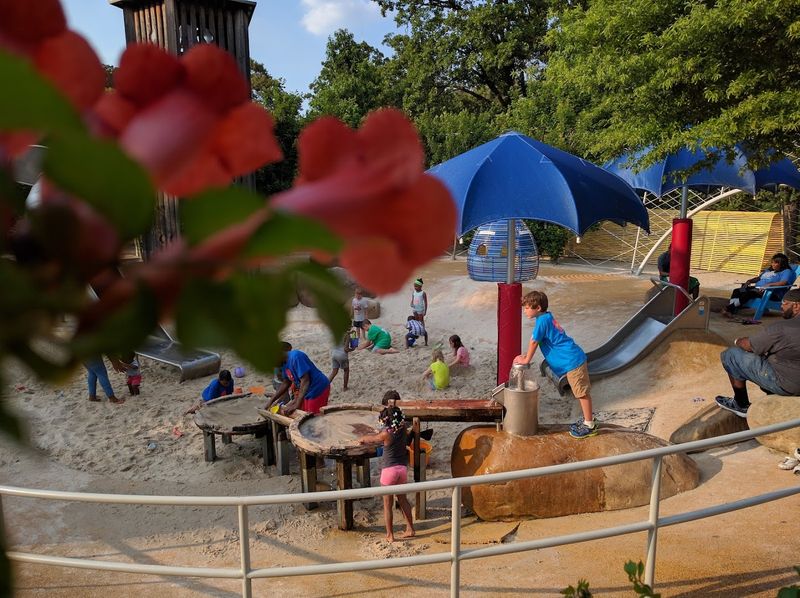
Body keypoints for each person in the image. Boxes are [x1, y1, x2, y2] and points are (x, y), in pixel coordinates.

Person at [513, 290, 597, 439]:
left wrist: (526, 360)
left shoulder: (542, 321)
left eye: (526, 307)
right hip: (572, 359)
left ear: (538, 308)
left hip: (572, 361)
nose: (524, 310)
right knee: (581, 393)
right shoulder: (546, 317)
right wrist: (527, 355)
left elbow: (534, 341)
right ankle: (587, 419)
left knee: (581, 393)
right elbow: (542, 341)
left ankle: (589, 424)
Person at [715, 288, 800, 417]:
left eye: (785, 302)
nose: (781, 305)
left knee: (732, 355)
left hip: (789, 385)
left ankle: (740, 404)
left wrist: (738, 340)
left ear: (796, 306)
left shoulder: (782, 328)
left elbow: (749, 346)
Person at [358, 406, 415, 543]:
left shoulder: (386, 435)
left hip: (389, 471)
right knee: (403, 500)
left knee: (387, 505)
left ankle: (390, 534)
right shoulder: (403, 430)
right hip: (402, 470)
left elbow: (371, 439)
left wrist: (361, 438)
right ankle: (410, 529)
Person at [721, 253, 796, 317]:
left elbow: (784, 282)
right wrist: (750, 281)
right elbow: (759, 278)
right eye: (772, 262)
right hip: (757, 289)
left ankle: (729, 308)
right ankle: (732, 309)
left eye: (775, 263)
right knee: (738, 290)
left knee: (750, 293)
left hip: (771, 293)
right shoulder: (769, 270)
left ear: (782, 264)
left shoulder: (786, 271)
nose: (773, 264)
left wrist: (769, 285)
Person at [266, 342, 330, 415]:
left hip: (318, 388)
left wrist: (297, 403)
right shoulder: (283, 364)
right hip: (306, 390)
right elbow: (286, 383)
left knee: (313, 417)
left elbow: (305, 381)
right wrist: (271, 401)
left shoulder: (296, 357)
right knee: (304, 414)